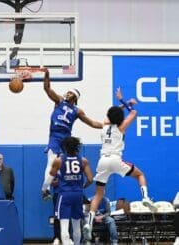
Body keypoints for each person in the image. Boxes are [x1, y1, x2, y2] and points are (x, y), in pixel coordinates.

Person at [83, 87, 157, 241]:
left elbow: (113, 115)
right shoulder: (121, 127)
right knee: (140, 175)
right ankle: (145, 197)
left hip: (102, 161)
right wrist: (123, 101)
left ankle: (89, 222)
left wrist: (122, 104)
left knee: (98, 194)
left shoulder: (104, 125)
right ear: (120, 118)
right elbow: (134, 113)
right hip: (116, 160)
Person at [42, 68, 102, 197]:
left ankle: (72, 189)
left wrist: (106, 125)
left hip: (66, 140)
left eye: (70, 93)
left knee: (67, 165)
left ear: (75, 98)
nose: (67, 94)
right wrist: (47, 75)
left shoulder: (77, 111)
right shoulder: (58, 101)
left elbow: (92, 123)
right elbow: (47, 89)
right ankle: (45, 188)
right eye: (67, 92)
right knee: (51, 162)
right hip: (54, 136)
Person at [41, 136, 93, 245]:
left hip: (64, 195)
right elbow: (90, 179)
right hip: (78, 194)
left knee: (64, 226)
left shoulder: (59, 161)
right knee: (76, 225)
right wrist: (82, 186)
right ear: (77, 147)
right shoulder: (83, 161)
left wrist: (44, 189)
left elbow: (49, 179)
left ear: (64, 147)